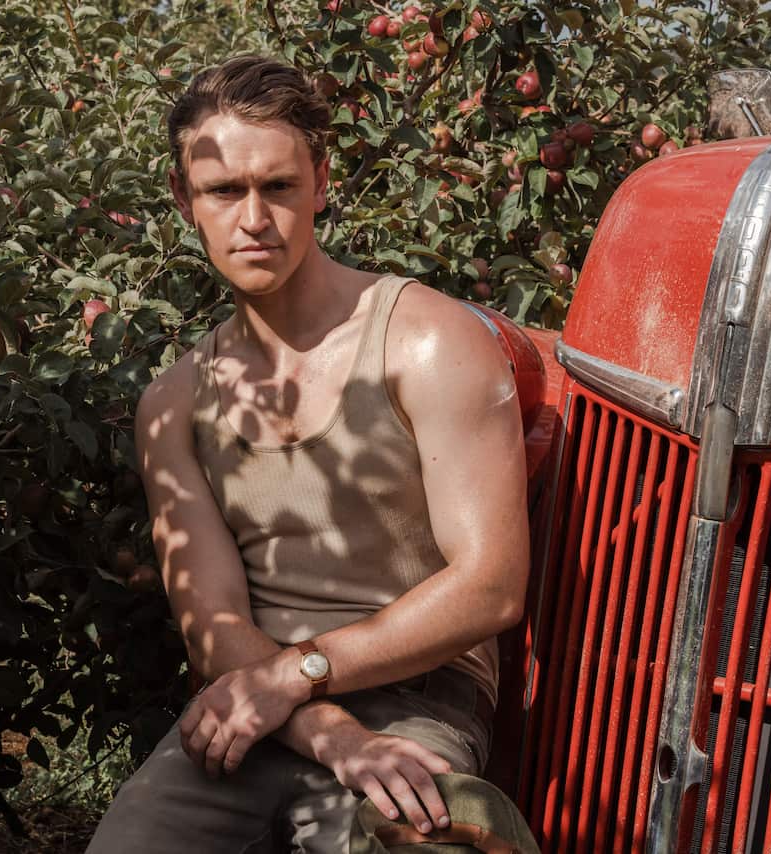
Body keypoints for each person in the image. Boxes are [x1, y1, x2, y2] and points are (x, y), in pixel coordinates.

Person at [86, 55, 530, 854]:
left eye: (279, 186)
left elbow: (489, 587)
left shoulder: (426, 342)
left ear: (321, 183)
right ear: (184, 199)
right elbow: (213, 623)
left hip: (417, 702)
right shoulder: (174, 404)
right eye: (225, 191)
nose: (253, 218)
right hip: (251, 708)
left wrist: (300, 676)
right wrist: (325, 729)